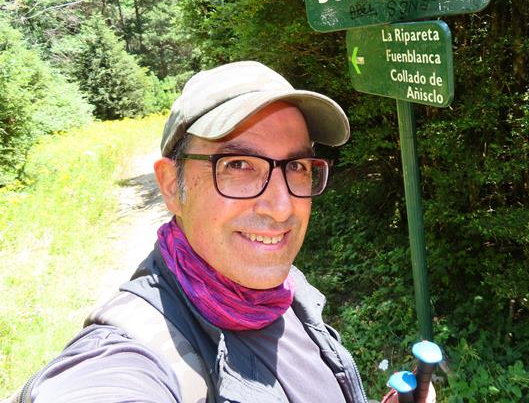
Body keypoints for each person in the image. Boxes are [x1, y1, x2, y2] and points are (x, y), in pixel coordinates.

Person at [11, 61, 435, 402]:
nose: (281, 207)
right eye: (237, 165)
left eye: (296, 166)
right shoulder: (131, 355)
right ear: (170, 186)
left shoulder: (287, 292)